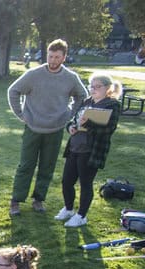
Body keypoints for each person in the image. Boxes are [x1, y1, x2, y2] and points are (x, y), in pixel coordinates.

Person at [8, 39, 87, 216]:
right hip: (33, 127)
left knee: (47, 166)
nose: (52, 60)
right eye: (50, 56)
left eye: (57, 57)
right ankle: (16, 200)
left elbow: (82, 96)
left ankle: (39, 199)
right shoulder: (34, 74)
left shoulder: (70, 78)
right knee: (26, 165)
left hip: (56, 129)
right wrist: (21, 114)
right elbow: (13, 90)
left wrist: (71, 115)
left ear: (64, 57)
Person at [54, 73, 123, 228]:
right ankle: (69, 209)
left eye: (97, 86)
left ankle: (81, 216)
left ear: (107, 88)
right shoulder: (87, 101)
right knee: (66, 181)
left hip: (91, 151)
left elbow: (108, 129)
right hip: (75, 147)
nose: (93, 89)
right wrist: (71, 127)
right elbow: (73, 120)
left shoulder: (112, 105)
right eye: (91, 86)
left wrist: (88, 123)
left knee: (85, 183)